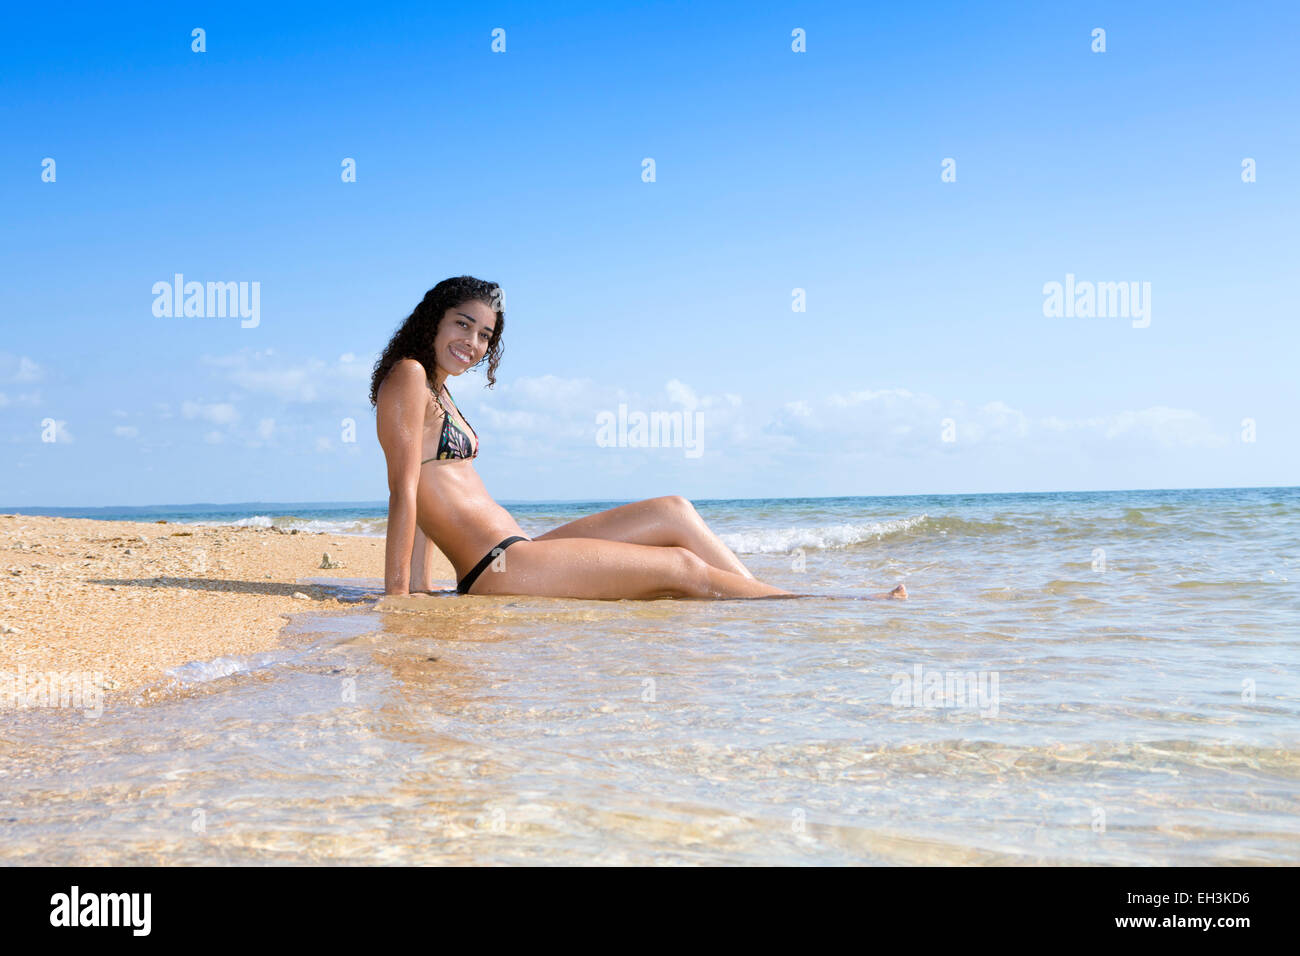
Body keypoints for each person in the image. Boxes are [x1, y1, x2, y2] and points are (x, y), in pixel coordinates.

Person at [370, 275, 907, 601]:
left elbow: (429, 488)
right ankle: (810, 604)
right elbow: (405, 490)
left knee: (674, 511)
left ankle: (762, 600)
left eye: (485, 335)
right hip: (497, 567)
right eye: (463, 325)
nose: (474, 342)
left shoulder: (441, 390)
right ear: (433, 319)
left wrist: (424, 586)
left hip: (519, 552)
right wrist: (399, 593)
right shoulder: (410, 376)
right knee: (680, 569)